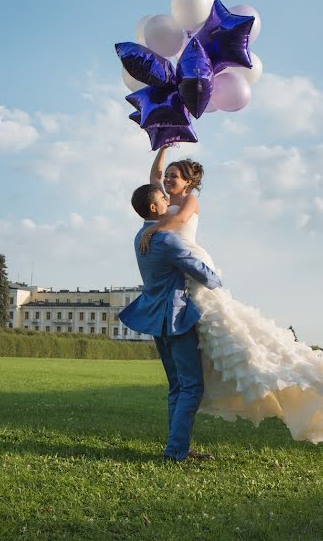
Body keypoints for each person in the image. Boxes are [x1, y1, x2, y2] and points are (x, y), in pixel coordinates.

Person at [138, 147, 323, 444]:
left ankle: (275, 375)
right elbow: (153, 179)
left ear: (188, 183)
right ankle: (179, 441)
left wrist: (152, 229)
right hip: (178, 276)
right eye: (166, 177)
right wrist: (163, 150)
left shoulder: (184, 205)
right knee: (189, 377)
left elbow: (178, 222)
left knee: (229, 339)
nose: (167, 181)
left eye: (173, 177)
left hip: (190, 263)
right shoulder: (162, 209)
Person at [119, 184, 222, 461]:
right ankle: (177, 451)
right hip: (176, 319)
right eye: (163, 198)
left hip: (155, 319)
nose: (168, 198)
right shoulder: (166, 240)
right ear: (154, 207)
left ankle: (178, 447)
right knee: (191, 387)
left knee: (177, 386)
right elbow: (203, 273)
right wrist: (218, 279)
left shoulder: (140, 236)